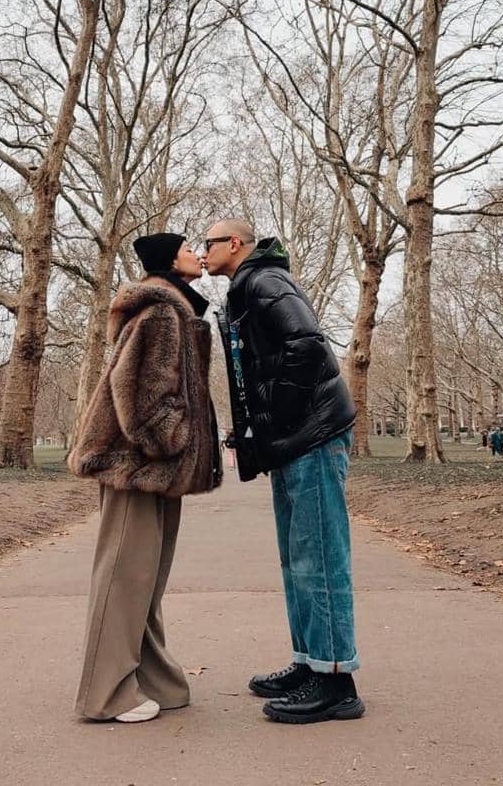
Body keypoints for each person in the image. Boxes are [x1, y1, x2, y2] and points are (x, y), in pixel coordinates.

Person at [204, 218, 364, 725]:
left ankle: (336, 682)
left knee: (318, 556)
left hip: (312, 436)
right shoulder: (244, 288)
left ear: (234, 244)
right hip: (292, 442)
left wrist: (278, 416)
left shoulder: (266, 281)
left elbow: (309, 346)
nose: (200, 252)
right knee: (297, 559)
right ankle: (310, 663)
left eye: (207, 243)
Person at [67, 233, 222, 724]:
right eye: (187, 248)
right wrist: (169, 440)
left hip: (156, 468)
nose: (198, 253)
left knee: (146, 579)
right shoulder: (159, 312)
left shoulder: (176, 309)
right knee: (124, 577)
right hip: (135, 465)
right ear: (167, 261)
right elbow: (135, 389)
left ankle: (153, 678)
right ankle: (105, 695)